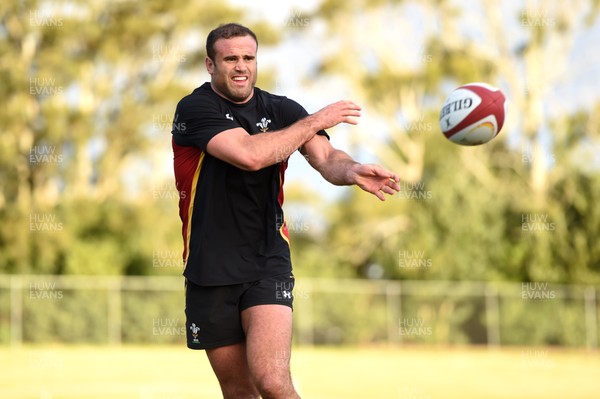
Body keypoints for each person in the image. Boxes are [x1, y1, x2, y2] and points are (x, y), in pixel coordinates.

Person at [171, 23, 400, 399]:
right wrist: (316, 120)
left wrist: (352, 170)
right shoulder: (195, 109)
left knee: (273, 382)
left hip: (267, 261)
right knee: (238, 391)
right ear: (210, 65)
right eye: (231, 58)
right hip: (209, 267)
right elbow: (249, 155)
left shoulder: (282, 110)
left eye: (248, 57)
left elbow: (326, 158)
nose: (241, 66)